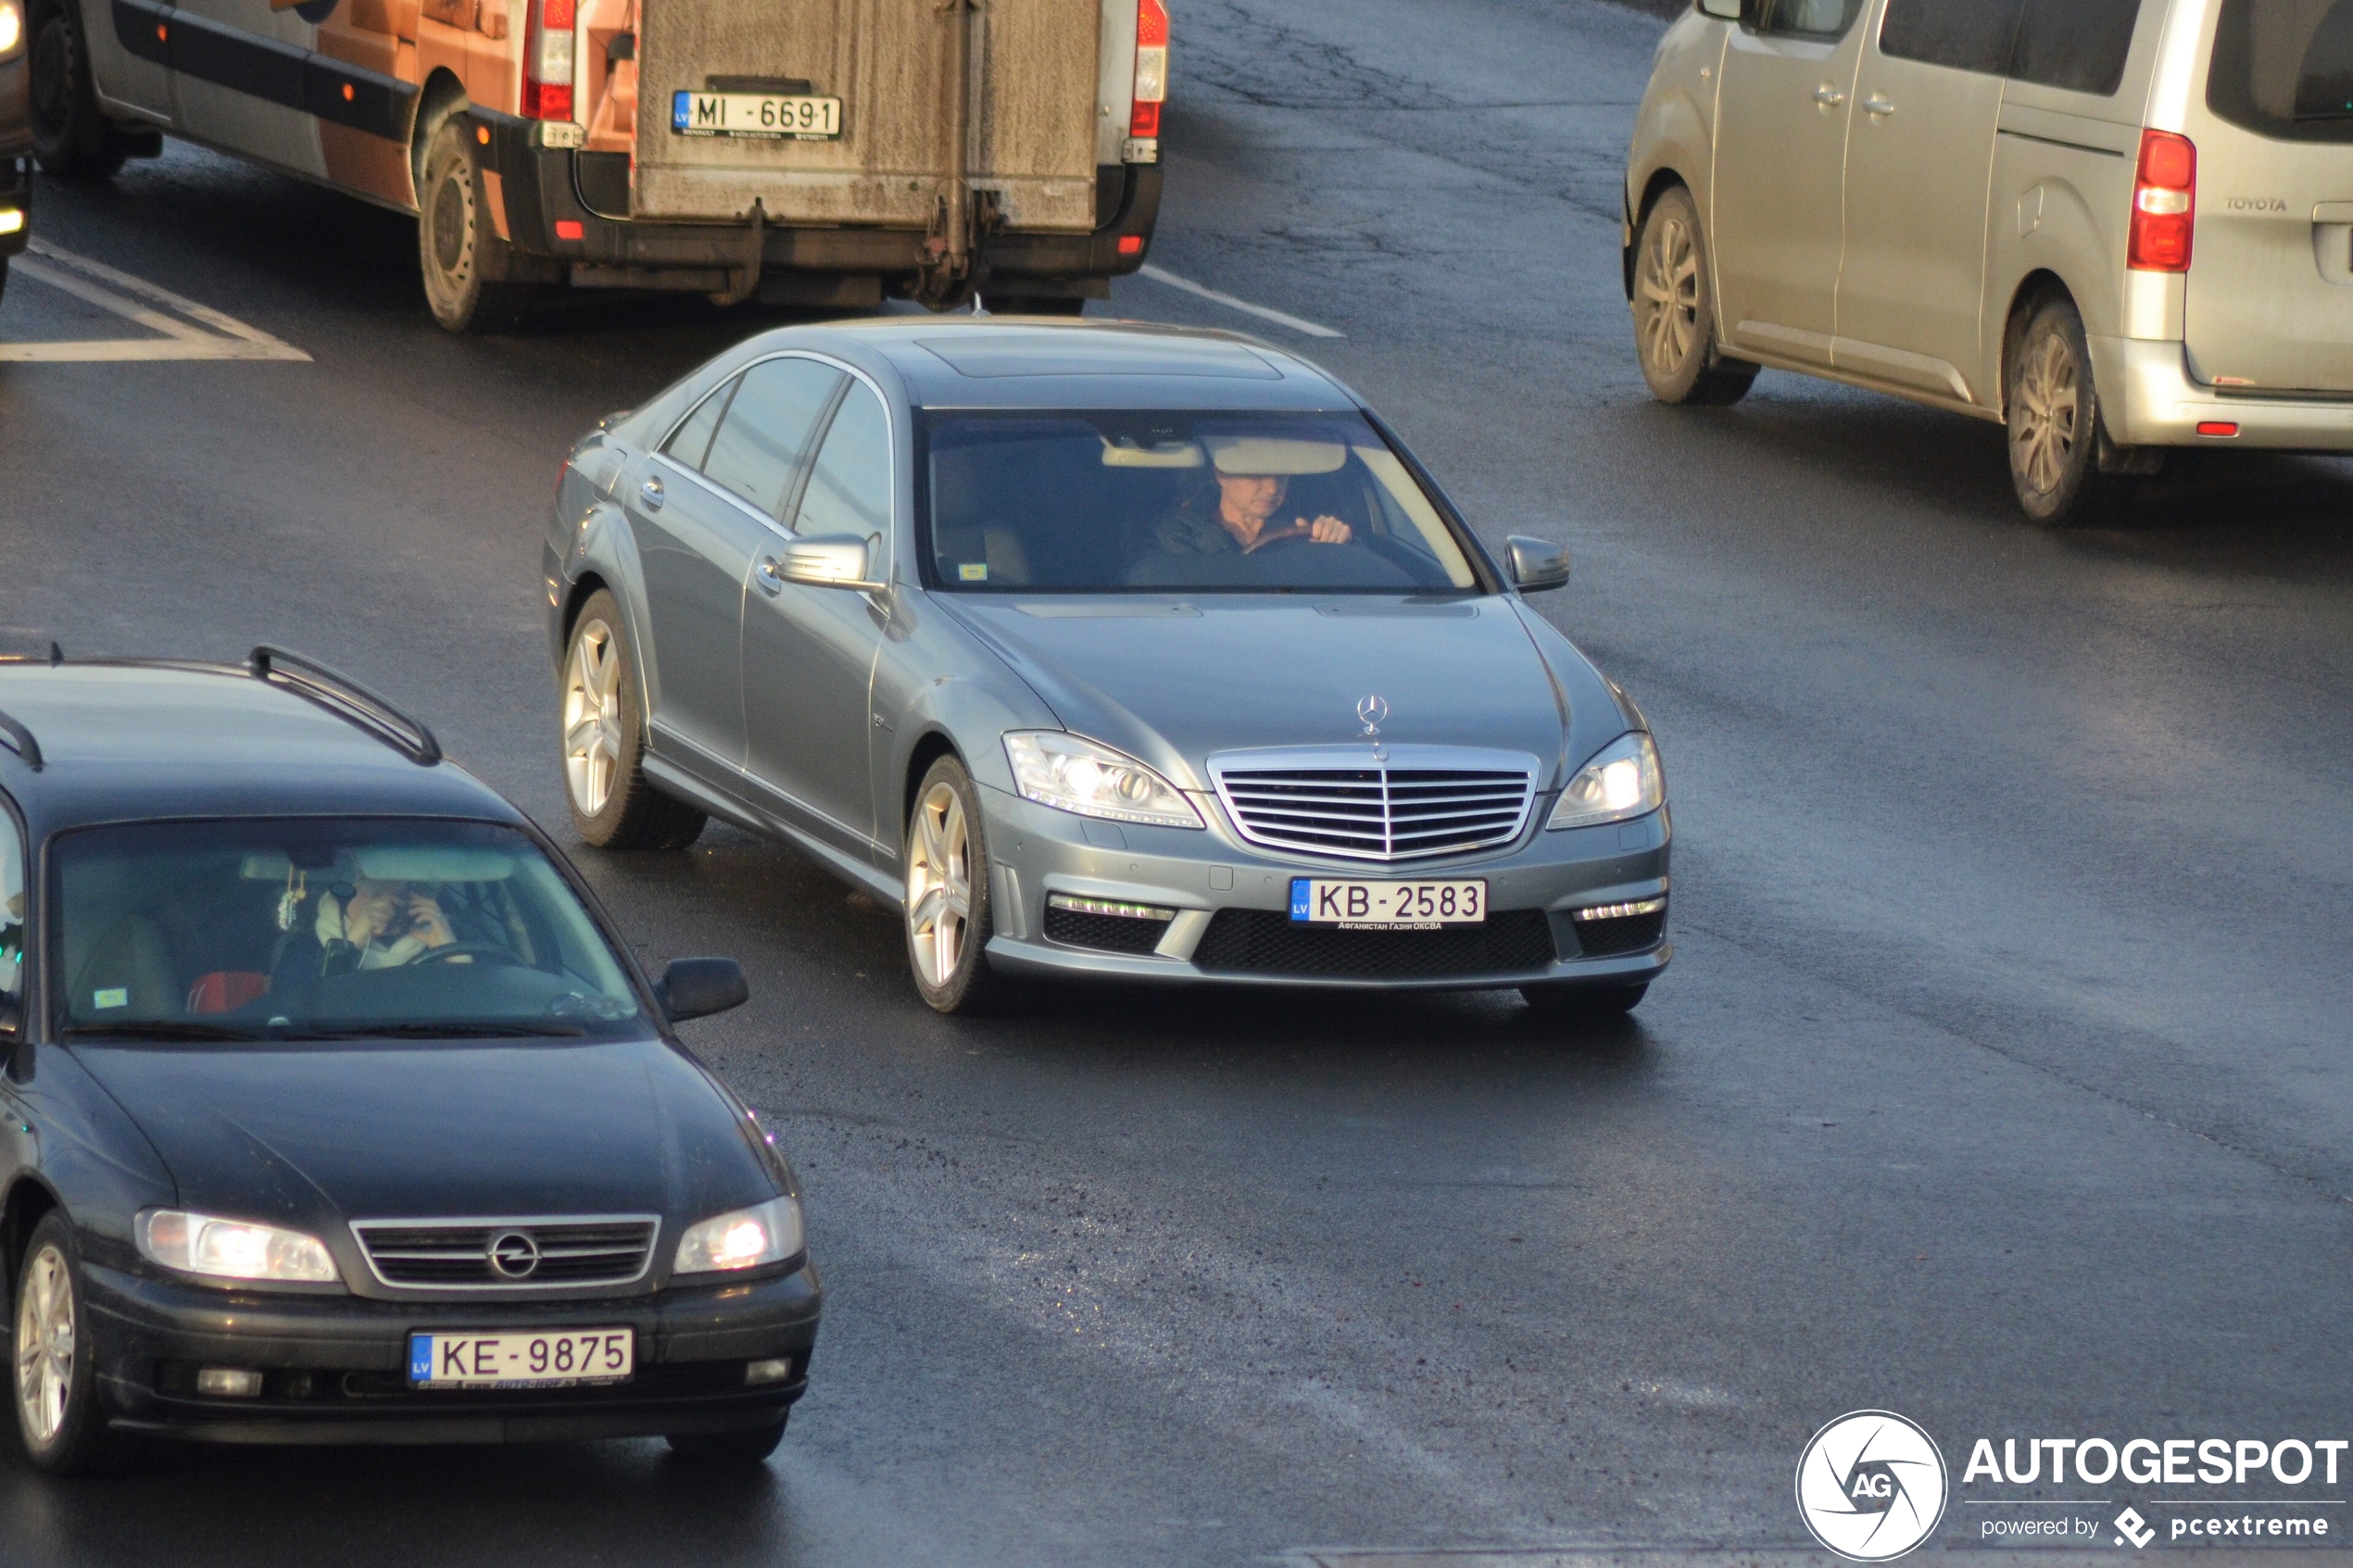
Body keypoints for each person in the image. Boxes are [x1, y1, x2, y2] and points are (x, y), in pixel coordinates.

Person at [1150, 442, 1355, 558]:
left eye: (1281, 476)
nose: (1273, 488)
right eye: (1257, 475)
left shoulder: (1304, 529)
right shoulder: (1176, 534)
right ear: (1222, 474)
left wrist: (1338, 542)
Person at [312, 880, 459, 974]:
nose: (385, 906)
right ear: (342, 898)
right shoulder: (307, 947)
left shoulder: (442, 934)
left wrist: (452, 951)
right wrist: (351, 943)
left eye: (400, 897)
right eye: (374, 895)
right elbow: (317, 1006)